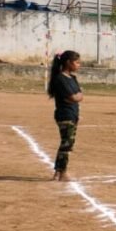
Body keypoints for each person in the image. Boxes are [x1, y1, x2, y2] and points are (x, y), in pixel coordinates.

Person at [47, 50, 84, 181]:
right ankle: (62, 172)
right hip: (65, 115)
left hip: (73, 114)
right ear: (68, 63)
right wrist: (76, 97)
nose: (79, 65)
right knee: (67, 143)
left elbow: (78, 95)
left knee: (67, 143)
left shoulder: (72, 78)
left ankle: (58, 171)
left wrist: (76, 97)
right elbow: (73, 97)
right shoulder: (60, 79)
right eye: (77, 62)